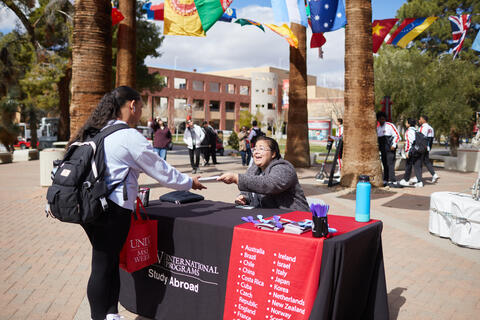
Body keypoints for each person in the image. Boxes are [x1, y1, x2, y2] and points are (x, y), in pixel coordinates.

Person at [69, 86, 206, 320]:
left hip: (90, 207)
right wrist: (188, 182)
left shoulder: (97, 130)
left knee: (108, 261)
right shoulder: (128, 136)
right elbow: (162, 172)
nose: (141, 111)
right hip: (111, 210)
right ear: (132, 105)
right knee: (103, 264)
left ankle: (110, 313)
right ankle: (100, 316)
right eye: (141, 106)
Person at [217, 136, 310, 211]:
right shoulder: (254, 168)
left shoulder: (284, 168)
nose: (256, 152)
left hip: (294, 218)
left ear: (273, 154)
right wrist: (244, 197)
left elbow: (269, 184)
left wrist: (237, 178)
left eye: (261, 149)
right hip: (266, 217)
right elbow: (248, 189)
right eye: (255, 149)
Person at [377, 111, 402, 188]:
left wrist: (394, 144)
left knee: (390, 164)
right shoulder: (377, 128)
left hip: (390, 148)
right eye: (380, 119)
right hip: (382, 149)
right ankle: (386, 179)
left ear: (385, 118)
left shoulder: (390, 125)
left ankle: (393, 181)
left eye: (383, 118)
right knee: (384, 164)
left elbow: (398, 136)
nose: (381, 120)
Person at [399, 118, 423, 188]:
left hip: (412, 150)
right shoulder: (417, 130)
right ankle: (419, 181)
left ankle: (406, 180)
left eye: (406, 122)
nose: (405, 124)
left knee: (408, 166)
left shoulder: (409, 131)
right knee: (417, 166)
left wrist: (407, 151)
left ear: (409, 124)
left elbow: (410, 142)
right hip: (418, 150)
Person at [417, 115, 439, 183]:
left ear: (424, 120)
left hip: (422, 147)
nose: (419, 120)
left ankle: (419, 178)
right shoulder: (431, 128)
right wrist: (429, 147)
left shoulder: (422, 128)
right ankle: (434, 174)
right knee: (426, 161)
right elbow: (431, 139)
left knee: (419, 162)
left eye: (420, 119)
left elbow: (420, 138)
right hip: (428, 146)